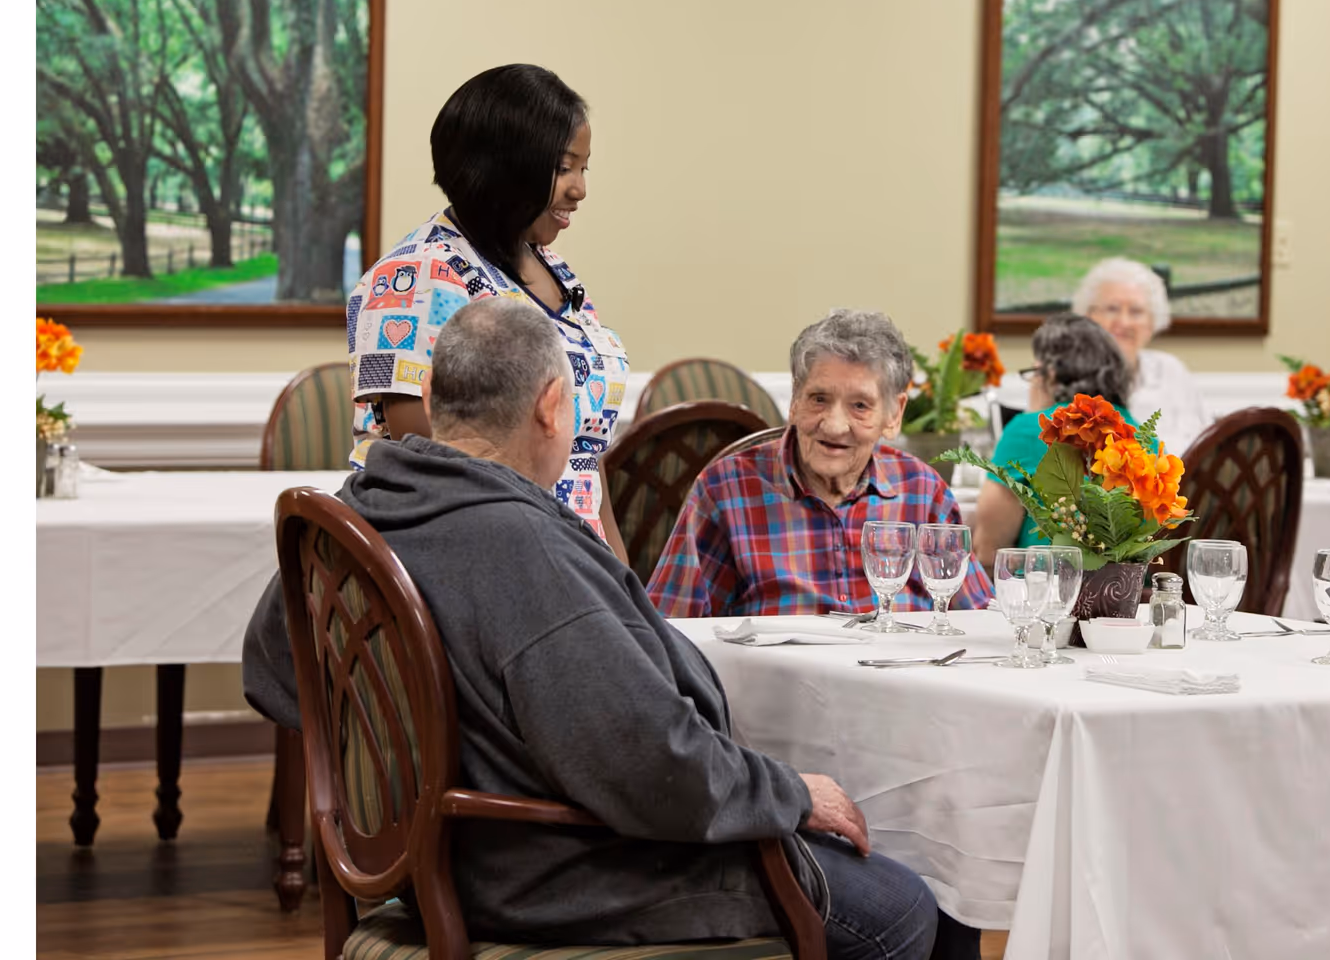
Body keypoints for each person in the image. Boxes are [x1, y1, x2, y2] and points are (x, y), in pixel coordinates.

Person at [244, 300, 979, 960]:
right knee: (906, 907)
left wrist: (454, 759)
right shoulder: (524, 550)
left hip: (441, 858)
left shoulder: (357, 513)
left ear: (432, 397)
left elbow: (270, 665)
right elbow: (653, 764)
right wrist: (791, 794)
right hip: (562, 874)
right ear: (552, 406)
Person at [348, 63, 629, 559]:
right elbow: (439, 462)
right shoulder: (419, 275)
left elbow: (587, 456)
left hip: (575, 560)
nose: (580, 189)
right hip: (481, 561)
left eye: (584, 168)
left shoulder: (558, 272)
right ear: (505, 164)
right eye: (564, 167)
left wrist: (621, 587)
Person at [647, 309, 992, 619]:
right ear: (795, 399)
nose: (834, 425)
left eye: (860, 405)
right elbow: (669, 631)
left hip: (903, 685)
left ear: (894, 414)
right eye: (819, 399)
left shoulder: (922, 492)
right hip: (772, 688)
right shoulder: (727, 490)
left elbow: (977, 623)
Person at [973, 313, 1154, 571]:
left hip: (1040, 596)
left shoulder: (1028, 430)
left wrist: (1034, 413)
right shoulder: (1146, 438)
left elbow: (989, 550)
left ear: (1050, 373)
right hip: (1126, 597)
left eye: (1034, 372)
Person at [1072, 257, 1212, 456]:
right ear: (1088, 316)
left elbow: (1206, 447)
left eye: (1136, 311)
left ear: (1153, 321)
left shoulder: (1171, 370)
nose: (1124, 321)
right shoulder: (1066, 374)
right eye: (1112, 309)